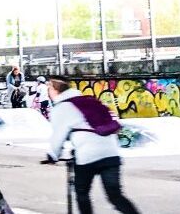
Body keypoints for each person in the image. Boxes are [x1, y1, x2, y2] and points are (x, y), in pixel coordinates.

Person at [44, 76, 141, 214]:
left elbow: (58, 136)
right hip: (111, 153)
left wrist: (53, 155)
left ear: (55, 90)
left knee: (82, 193)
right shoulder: (90, 100)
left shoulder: (61, 108)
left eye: (49, 88)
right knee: (115, 195)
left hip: (87, 155)